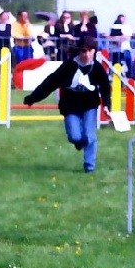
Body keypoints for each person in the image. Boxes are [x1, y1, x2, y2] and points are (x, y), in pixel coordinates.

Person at [22, 36, 113, 173]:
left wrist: (106, 105)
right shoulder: (69, 66)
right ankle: (80, 142)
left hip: (90, 105)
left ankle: (89, 166)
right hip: (71, 105)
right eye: (83, 51)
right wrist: (33, 98)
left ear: (94, 51)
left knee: (90, 135)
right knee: (74, 136)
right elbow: (50, 82)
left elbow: (105, 88)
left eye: (89, 51)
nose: (86, 55)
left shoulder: (97, 68)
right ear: (78, 52)